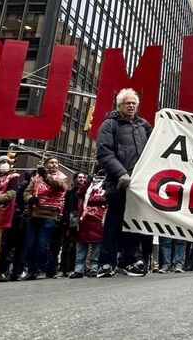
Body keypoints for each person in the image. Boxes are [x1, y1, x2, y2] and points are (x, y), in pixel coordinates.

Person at [96, 88, 153, 277]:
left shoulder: (144, 126)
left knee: (134, 223)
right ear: (119, 105)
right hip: (118, 183)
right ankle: (105, 262)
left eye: (134, 103)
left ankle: (128, 261)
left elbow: (158, 146)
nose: (131, 105)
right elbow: (104, 152)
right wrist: (120, 173)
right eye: (127, 103)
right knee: (114, 222)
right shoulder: (109, 124)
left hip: (138, 185)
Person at [23, 156, 69, 279]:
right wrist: (30, 198)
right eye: (51, 163)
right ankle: (31, 270)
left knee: (43, 244)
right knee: (30, 244)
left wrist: (45, 177)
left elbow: (60, 186)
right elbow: (27, 192)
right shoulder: (36, 178)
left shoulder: (62, 177)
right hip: (35, 213)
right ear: (45, 164)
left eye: (56, 163)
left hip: (50, 214)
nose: (55, 165)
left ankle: (41, 269)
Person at [72, 171, 107, 278]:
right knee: (81, 246)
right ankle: (78, 270)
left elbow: (104, 199)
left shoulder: (105, 185)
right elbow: (79, 193)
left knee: (96, 246)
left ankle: (94, 268)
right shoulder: (88, 185)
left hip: (98, 219)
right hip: (84, 219)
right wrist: (88, 182)